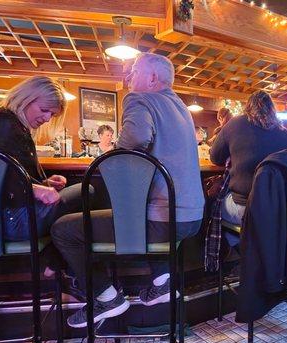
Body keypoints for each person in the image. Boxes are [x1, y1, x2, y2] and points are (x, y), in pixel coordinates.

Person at [51, 53, 205, 328]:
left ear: (153, 78)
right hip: (191, 219)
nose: (129, 77)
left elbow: (136, 139)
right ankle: (162, 282)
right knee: (135, 214)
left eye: (134, 71)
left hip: (164, 220)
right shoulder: (180, 106)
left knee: (64, 230)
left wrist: (113, 157)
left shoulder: (140, 98)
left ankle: (106, 296)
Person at [0, 76, 83, 241]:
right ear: (26, 98)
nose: (47, 119)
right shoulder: (0, 124)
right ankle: (53, 263)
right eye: (44, 110)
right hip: (6, 221)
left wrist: (44, 184)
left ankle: (52, 263)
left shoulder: (11, 124)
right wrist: (36, 190)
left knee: (74, 211)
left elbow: (8, 173)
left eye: (52, 114)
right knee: (87, 191)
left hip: (10, 216)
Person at [210, 91, 287, 244]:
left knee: (212, 202)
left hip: (245, 206)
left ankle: (232, 255)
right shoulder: (284, 132)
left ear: (248, 107)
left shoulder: (234, 124)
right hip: (278, 207)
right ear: (272, 109)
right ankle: (252, 251)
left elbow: (215, 157)